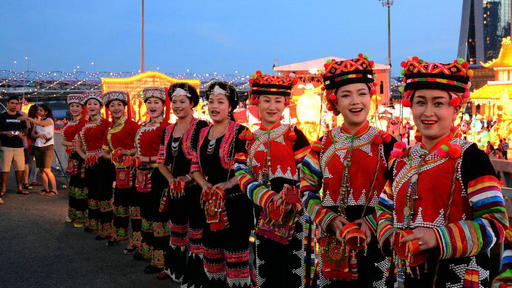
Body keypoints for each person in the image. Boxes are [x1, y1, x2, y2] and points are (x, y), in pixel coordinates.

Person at [376, 57, 508, 287]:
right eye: (420, 102)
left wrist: (437, 237)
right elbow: (382, 210)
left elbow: (495, 224)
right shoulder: (401, 161)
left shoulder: (471, 158)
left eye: (438, 103)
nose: (428, 112)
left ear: (456, 108)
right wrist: (393, 238)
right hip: (406, 275)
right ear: (411, 105)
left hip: (458, 277)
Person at [300, 55, 396, 287]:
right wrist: (328, 219)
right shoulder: (321, 146)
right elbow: (306, 190)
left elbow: (400, 195)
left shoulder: (389, 145)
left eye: (362, 93)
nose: (355, 101)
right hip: (333, 240)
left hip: (375, 243)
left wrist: (373, 222)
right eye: (346, 95)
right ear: (335, 102)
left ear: (370, 97)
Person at [234, 71, 313, 287]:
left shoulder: (294, 135)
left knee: (293, 266)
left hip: (293, 215)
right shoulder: (247, 139)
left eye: (278, 101)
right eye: (266, 101)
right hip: (261, 213)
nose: (272, 106)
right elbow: (240, 173)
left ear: (285, 104)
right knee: (265, 265)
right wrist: (266, 197)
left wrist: (291, 197)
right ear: (256, 103)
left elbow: (308, 173)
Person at [191, 81, 254, 288]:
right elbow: (194, 167)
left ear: (230, 106)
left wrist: (226, 185)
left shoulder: (241, 132)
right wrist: (205, 185)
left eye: (220, 102)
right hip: (210, 203)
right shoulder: (202, 133)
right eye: (211, 102)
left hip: (235, 204)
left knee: (235, 256)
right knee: (212, 254)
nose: (214, 107)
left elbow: (248, 169)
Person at [157, 83, 209, 284]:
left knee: (197, 233)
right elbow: (161, 162)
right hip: (175, 188)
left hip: (196, 187)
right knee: (176, 230)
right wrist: (172, 180)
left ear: (192, 103)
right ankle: (173, 269)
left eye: (182, 102)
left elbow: (205, 161)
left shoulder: (202, 127)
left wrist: (187, 178)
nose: (177, 106)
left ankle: (194, 275)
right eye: (174, 102)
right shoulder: (168, 131)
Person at [131, 87, 170, 274]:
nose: (152, 106)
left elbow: (168, 156)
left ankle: (159, 259)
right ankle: (146, 250)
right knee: (145, 213)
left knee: (157, 216)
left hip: (158, 176)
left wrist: (145, 160)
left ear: (163, 105)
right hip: (141, 175)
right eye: (149, 102)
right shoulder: (144, 125)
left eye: (156, 102)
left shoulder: (166, 128)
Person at [101, 91, 139, 246]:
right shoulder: (109, 128)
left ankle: (136, 239)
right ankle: (120, 233)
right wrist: (113, 156)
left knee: (135, 203)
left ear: (124, 107)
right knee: (120, 203)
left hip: (133, 169)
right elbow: (104, 151)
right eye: (112, 105)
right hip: (117, 170)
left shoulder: (132, 125)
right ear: (108, 108)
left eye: (119, 105)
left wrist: (126, 152)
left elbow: (140, 148)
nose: (116, 108)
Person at [75, 92, 113, 238]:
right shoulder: (83, 125)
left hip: (104, 163)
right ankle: (93, 222)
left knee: (104, 193)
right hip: (89, 164)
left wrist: (99, 155)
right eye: (89, 104)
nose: (92, 106)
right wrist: (85, 157)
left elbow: (110, 144)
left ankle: (106, 228)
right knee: (92, 193)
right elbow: (77, 144)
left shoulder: (106, 124)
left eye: (95, 104)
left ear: (101, 107)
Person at [60, 94, 87, 227]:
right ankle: (73, 213)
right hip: (72, 157)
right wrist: (73, 145)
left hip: (82, 158)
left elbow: (82, 144)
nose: (74, 108)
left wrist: (74, 145)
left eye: (77, 106)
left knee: (81, 186)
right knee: (73, 186)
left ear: (82, 108)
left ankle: (81, 216)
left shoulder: (85, 123)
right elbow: (62, 141)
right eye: (72, 106)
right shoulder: (69, 123)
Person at [23, 104, 58, 196]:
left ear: (46, 112)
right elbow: (33, 134)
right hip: (38, 146)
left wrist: (29, 119)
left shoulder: (49, 120)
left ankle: (54, 189)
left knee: (47, 169)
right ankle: (45, 189)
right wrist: (38, 135)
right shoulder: (37, 122)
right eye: (38, 110)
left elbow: (42, 124)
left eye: (41, 110)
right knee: (42, 169)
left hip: (48, 147)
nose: (38, 111)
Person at [0, 96, 28, 202]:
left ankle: (20, 188)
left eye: (16, 103)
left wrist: (22, 134)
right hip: (5, 146)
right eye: (12, 103)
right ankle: (3, 189)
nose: (14, 105)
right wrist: (5, 133)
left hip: (18, 146)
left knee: (20, 168)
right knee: (4, 169)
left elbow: (25, 131)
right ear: (7, 104)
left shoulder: (20, 116)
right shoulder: (2, 116)